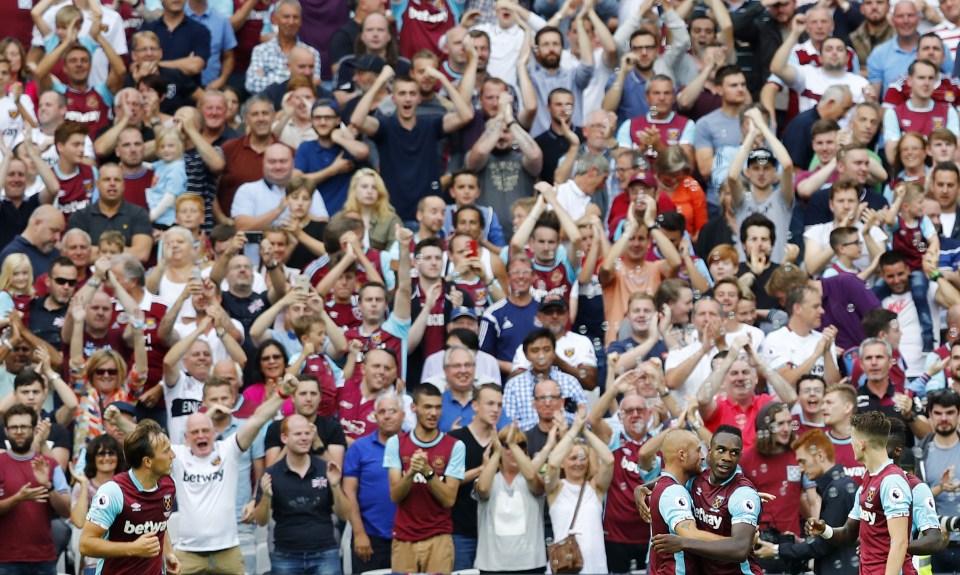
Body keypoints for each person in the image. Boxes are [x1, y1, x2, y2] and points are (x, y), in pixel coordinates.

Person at [805, 412, 913, 575]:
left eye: (852, 440)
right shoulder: (868, 479)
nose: (851, 444)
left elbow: (900, 542)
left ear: (862, 444)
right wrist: (824, 530)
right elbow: (849, 533)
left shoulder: (892, 481)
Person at [649, 425, 764, 575]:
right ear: (710, 452)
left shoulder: (742, 494)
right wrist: (641, 488)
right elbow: (672, 480)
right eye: (721, 450)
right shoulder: (696, 480)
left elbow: (741, 549)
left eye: (734, 453)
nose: (727, 458)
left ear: (740, 457)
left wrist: (684, 543)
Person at [254, 413, 351, 575]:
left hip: (325, 553)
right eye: (298, 434)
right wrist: (266, 497)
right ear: (284, 438)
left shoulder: (326, 469)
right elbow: (261, 521)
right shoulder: (271, 473)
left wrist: (335, 487)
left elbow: (345, 513)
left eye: (307, 433)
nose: (304, 438)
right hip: (285, 555)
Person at [79, 419, 179, 575]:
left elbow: (160, 524)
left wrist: (169, 554)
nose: (173, 455)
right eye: (166, 451)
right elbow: (85, 544)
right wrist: (133, 549)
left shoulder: (168, 485)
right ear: (147, 461)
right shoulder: (114, 492)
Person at [753, 429, 858, 574]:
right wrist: (802, 542)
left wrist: (776, 550)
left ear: (820, 455)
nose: (800, 469)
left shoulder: (839, 489)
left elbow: (824, 545)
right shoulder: (838, 486)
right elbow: (829, 539)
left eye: (803, 461)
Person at [385, 385, 466, 573]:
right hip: (404, 538)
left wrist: (428, 472)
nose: (433, 413)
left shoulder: (455, 446)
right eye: (427, 407)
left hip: (439, 537)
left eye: (438, 407)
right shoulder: (396, 443)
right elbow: (395, 496)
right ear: (414, 408)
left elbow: (448, 499)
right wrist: (413, 472)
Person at [0, 403, 70, 575]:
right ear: (6, 431)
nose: (19, 431)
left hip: (43, 560)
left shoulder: (50, 463)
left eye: (24, 426)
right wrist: (18, 498)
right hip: (4, 560)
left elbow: (67, 511)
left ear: (33, 430)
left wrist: (48, 486)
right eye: (14, 427)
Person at [545, 407, 613, 574]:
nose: (579, 463)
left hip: (595, 567)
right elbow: (553, 463)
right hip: (564, 566)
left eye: (583, 458)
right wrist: (574, 429)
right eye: (573, 458)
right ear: (564, 462)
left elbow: (609, 460)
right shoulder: (555, 488)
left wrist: (585, 431)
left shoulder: (595, 488)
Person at [342, 390, 403, 573]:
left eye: (392, 411)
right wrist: (359, 533)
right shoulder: (359, 448)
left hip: (408, 537)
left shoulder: (414, 445)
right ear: (375, 416)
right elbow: (349, 492)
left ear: (404, 415)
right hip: (370, 536)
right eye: (382, 412)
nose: (387, 416)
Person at [474, 422, 547, 573]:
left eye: (521, 444)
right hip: (492, 566)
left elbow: (533, 478)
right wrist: (496, 453)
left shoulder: (531, 478)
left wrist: (513, 445)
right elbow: (482, 489)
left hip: (530, 564)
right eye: (506, 445)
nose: (514, 449)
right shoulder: (489, 478)